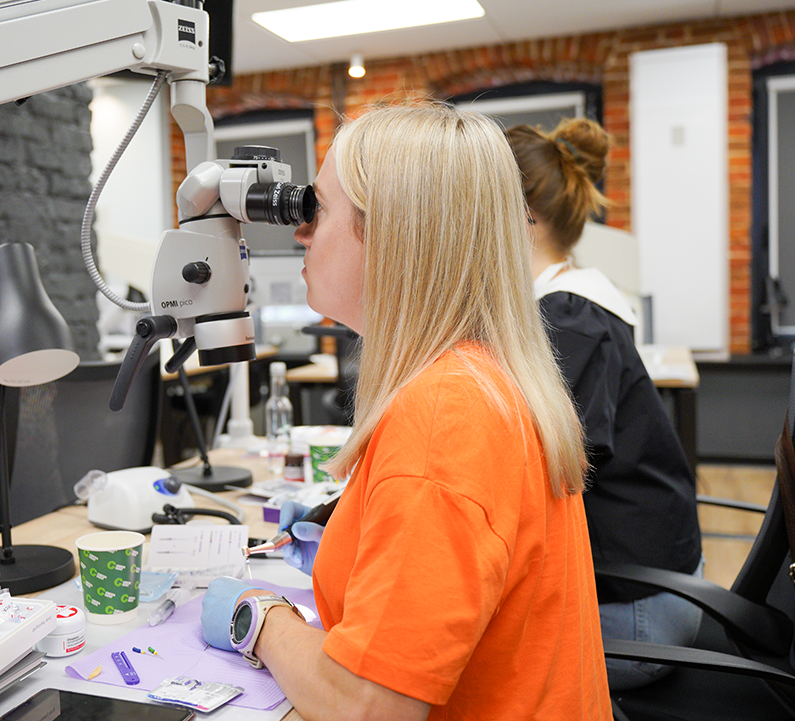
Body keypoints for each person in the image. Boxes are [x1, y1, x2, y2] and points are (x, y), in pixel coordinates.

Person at [201, 103, 612, 720]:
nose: (300, 232)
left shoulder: (443, 418)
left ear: (392, 235)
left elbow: (365, 708)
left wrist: (260, 618)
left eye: (319, 209)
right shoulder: (480, 375)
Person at [506, 118, 703, 690]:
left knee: (454, 662)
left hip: (638, 615)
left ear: (521, 215)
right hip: (648, 585)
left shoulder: (570, 320)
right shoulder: (568, 305)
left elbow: (545, 470)